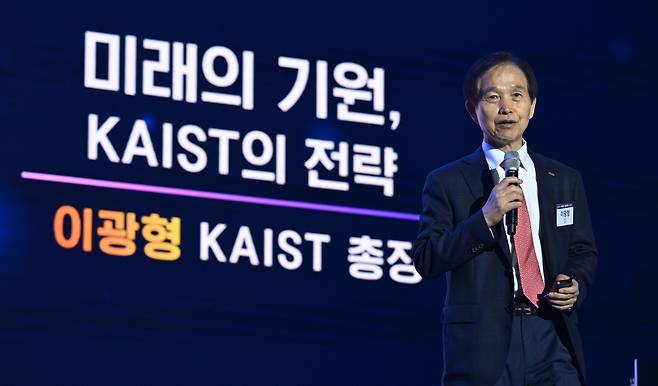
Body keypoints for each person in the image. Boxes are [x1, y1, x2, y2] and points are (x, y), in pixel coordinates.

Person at [412, 52, 597, 386]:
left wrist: (575, 284)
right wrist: (486, 218)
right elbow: (427, 257)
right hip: (484, 344)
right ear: (473, 109)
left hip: (551, 333)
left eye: (517, 95)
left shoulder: (564, 179)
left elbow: (583, 251)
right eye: (493, 97)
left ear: (532, 106)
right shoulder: (447, 181)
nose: (506, 107)